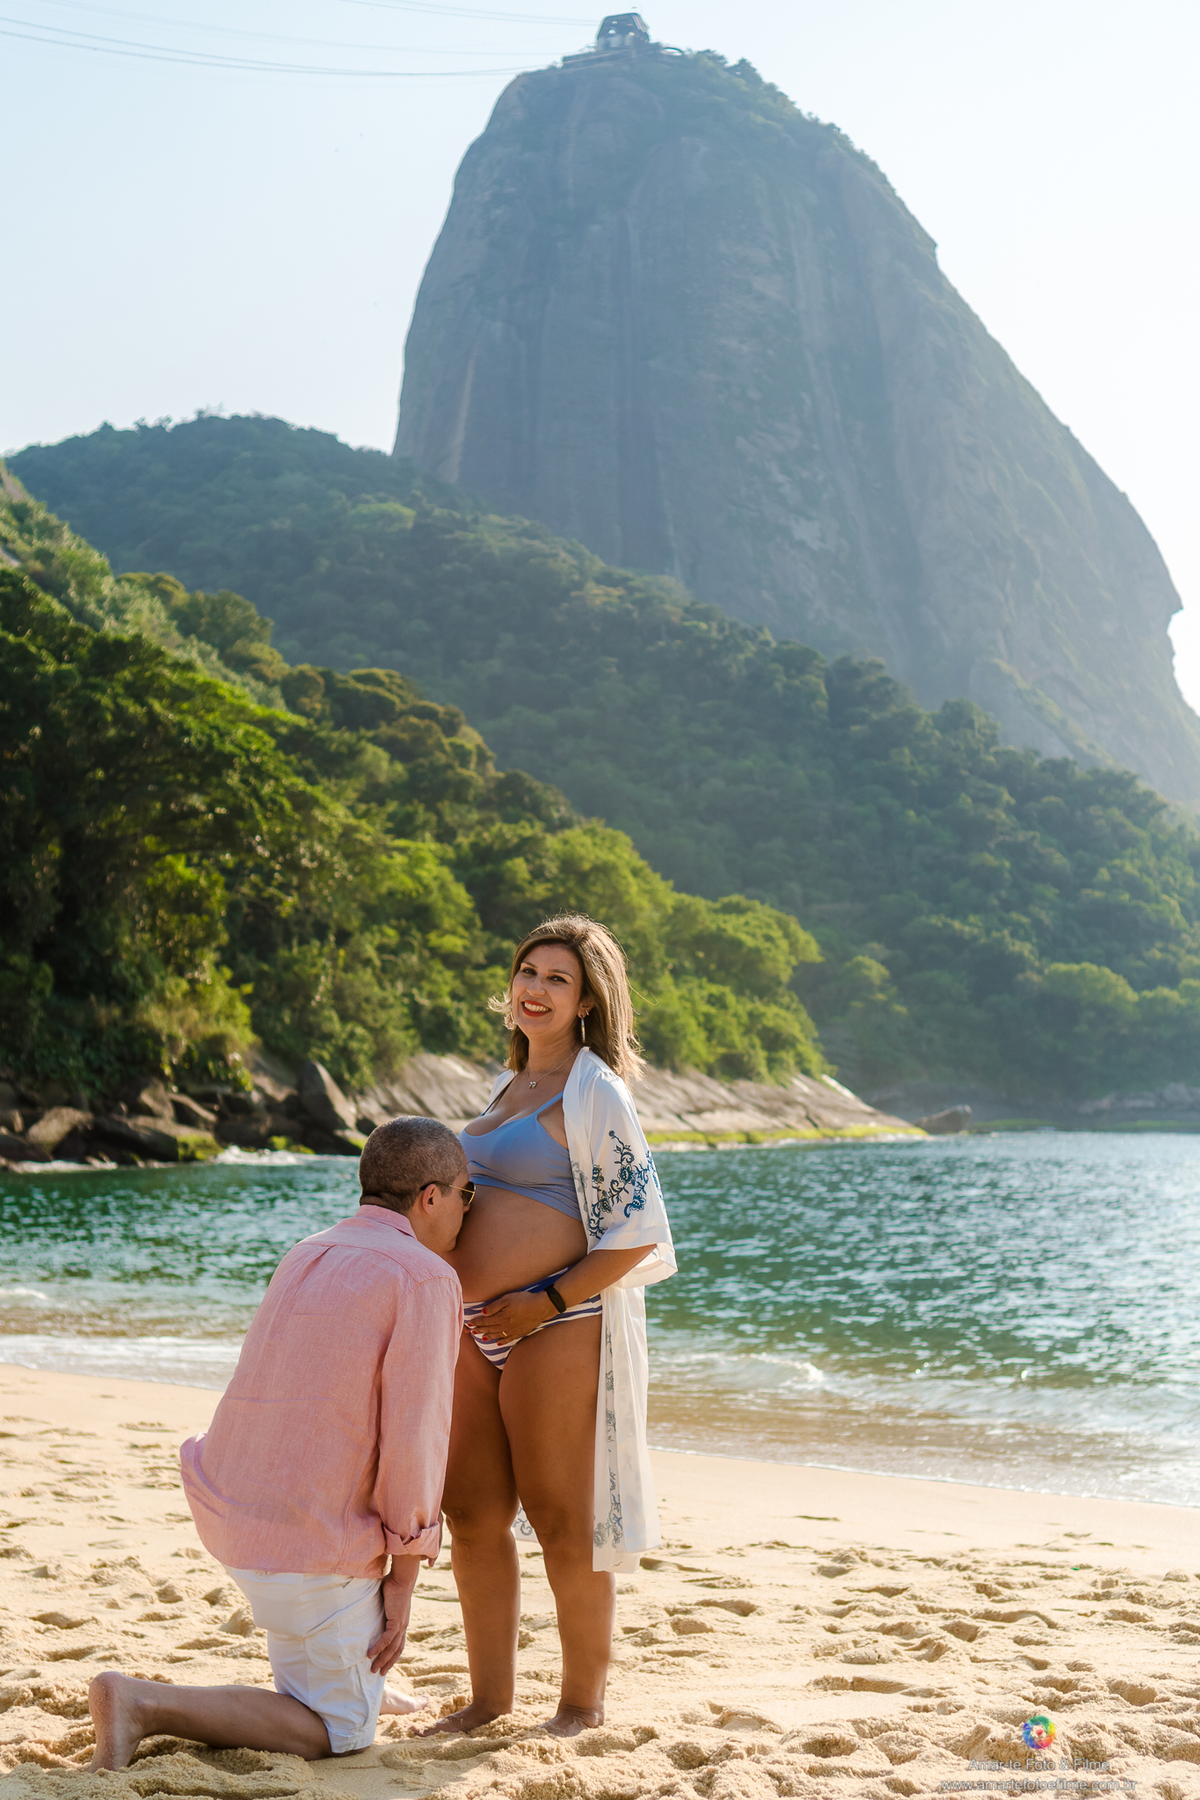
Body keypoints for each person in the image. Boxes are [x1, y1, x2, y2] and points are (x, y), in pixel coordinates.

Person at [87, 1116, 472, 1771]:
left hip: (236, 1513)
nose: (470, 1210)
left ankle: (346, 1676)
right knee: (340, 1730)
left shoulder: (309, 1250)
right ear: (429, 1198)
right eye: (468, 1194)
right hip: (308, 1549)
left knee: (322, 1649)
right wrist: (403, 1582)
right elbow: (416, 1440)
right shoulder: (426, 1277)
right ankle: (140, 1703)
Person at [428, 913, 675, 1740]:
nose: (535, 989)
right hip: (473, 1326)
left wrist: (549, 1299)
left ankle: (579, 1706)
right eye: (527, 972)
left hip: (557, 1323)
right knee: (472, 1515)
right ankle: (489, 1700)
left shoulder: (594, 1090)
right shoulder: (506, 1089)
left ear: (586, 1003)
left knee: (563, 1519)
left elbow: (639, 1232)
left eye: (556, 979)